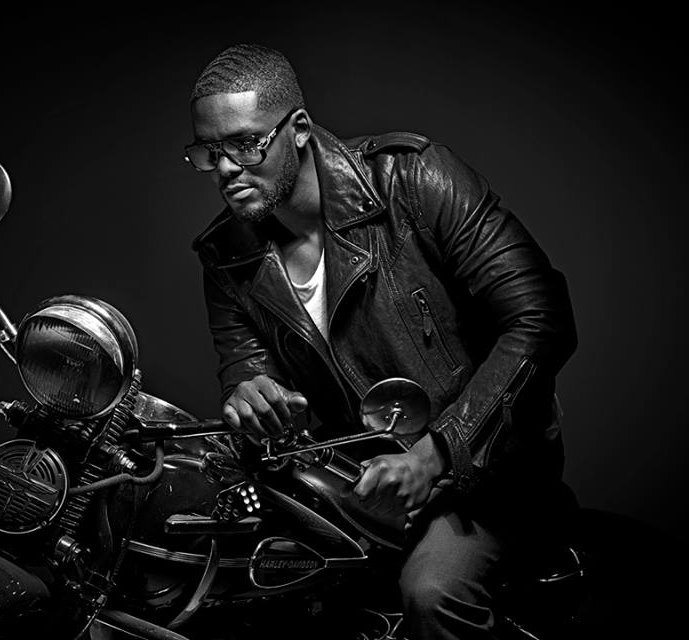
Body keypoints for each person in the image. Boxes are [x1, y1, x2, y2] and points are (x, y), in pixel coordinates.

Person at [187, 43, 577, 640]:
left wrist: (437, 453)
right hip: (355, 490)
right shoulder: (226, 254)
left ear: (298, 129)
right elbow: (246, 368)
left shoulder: (413, 180)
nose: (225, 169)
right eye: (208, 152)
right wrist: (250, 394)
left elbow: (541, 317)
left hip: (486, 480)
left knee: (432, 593)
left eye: (245, 144)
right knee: (229, 585)